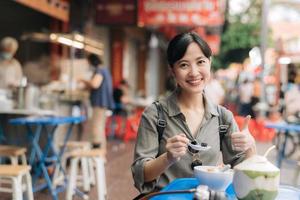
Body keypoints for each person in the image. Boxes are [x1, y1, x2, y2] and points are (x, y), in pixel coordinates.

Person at [131, 32, 256, 196]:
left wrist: (250, 147)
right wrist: (167, 157)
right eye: (184, 65)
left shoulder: (223, 118)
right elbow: (141, 174)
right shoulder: (156, 114)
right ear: (172, 71)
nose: (194, 72)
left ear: (210, 63)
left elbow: (244, 173)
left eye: (201, 62)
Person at [79, 54, 115, 149]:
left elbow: (95, 84)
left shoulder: (100, 70)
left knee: (96, 128)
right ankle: (101, 154)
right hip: (102, 104)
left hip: (99, 103)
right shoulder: (104, 70)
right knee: (100, 128)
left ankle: (97, 152)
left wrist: (83, 80)